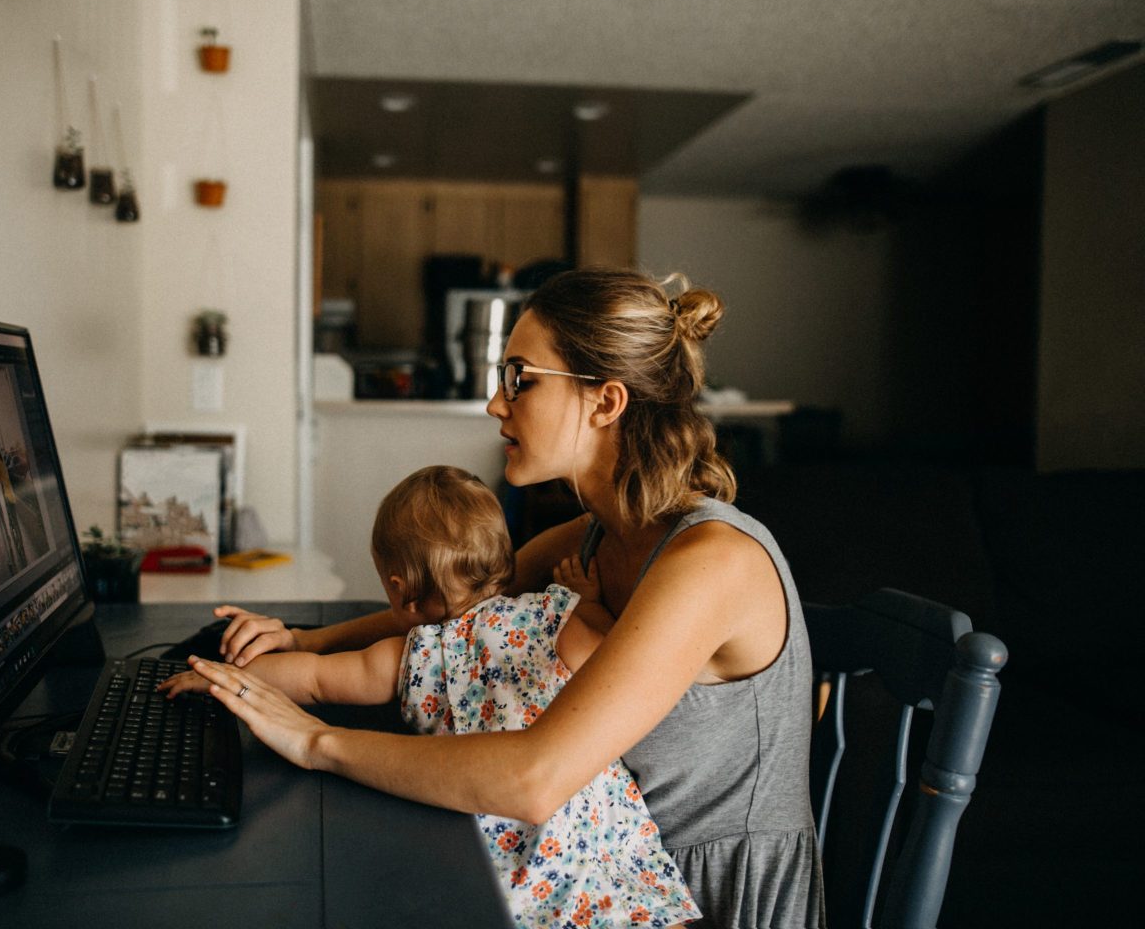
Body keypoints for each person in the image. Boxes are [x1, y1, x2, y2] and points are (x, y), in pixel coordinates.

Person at [181, 268, 824, 928]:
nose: (496, 402)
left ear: (605, 403)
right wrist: (304, 641)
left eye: (520, 377)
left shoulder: (710, 563)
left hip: (694, 897)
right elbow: (464, 613)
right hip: (593, 872)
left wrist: (317, 741)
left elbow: (534, 779)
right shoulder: (598, 534)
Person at [160, 465, 701, 928]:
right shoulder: (558, 617)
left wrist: (222, 679)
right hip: (602, 852)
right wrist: (587, 599)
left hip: (508, 866)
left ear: (398, 589)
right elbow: (608, 649)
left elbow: (314, 678)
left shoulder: (414, 656)